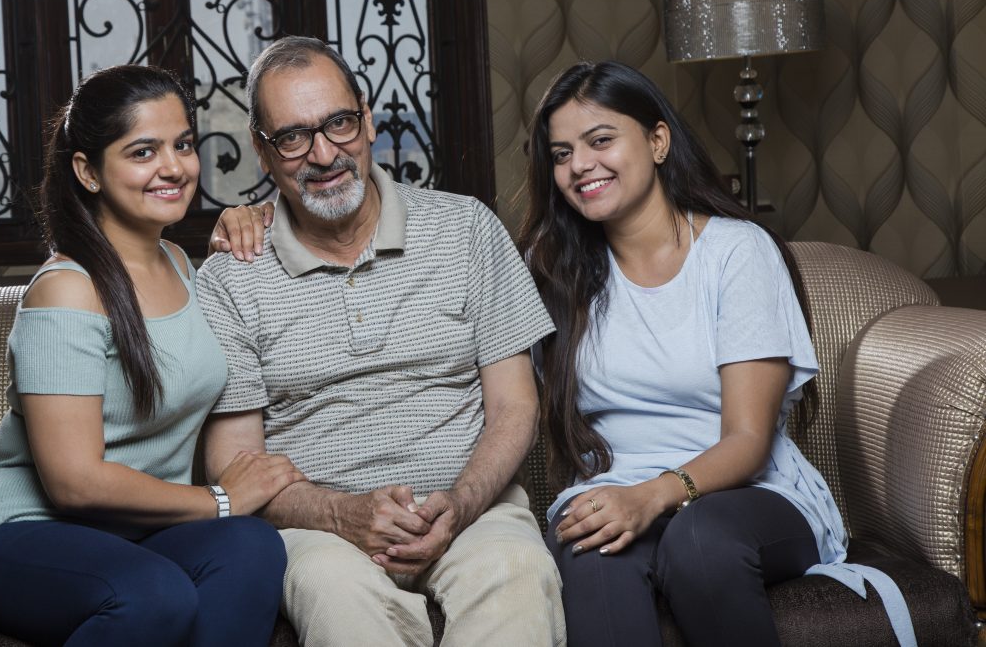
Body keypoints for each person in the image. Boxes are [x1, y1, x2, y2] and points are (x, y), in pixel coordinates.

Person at [518, 60, 914, 646]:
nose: (579, 165)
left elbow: (748, 442)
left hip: (750, 495)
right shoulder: (552, 272)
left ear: (657, 141)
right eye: (560, 153)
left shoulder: (736, 253)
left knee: (698, 540)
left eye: (600, 140)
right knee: (591, 552)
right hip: (615, 488)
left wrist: (650, 497)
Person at [198, 36, 567, 647]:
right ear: (264, 155)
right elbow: (235, 465)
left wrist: (462, 501)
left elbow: (515, 405)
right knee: (339, 599)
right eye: (292, 136)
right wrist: (339, 514)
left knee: (518, 572)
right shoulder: (231, 276)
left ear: (367, 121)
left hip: (471, 509)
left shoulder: (467, 228)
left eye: (338, 123)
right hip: (322, 532)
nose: (322, 153)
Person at [0, 64, 304, 647]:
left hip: (138, 536)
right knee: (154, 594)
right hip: (22, 538)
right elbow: (72, 483)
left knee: (252, 546)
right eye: (143, 151)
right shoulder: (67, 288)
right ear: (88, 171)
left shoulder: (184, 267)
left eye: (183, 144)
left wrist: (251, 217)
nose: (173, 167)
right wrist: (218, 499)